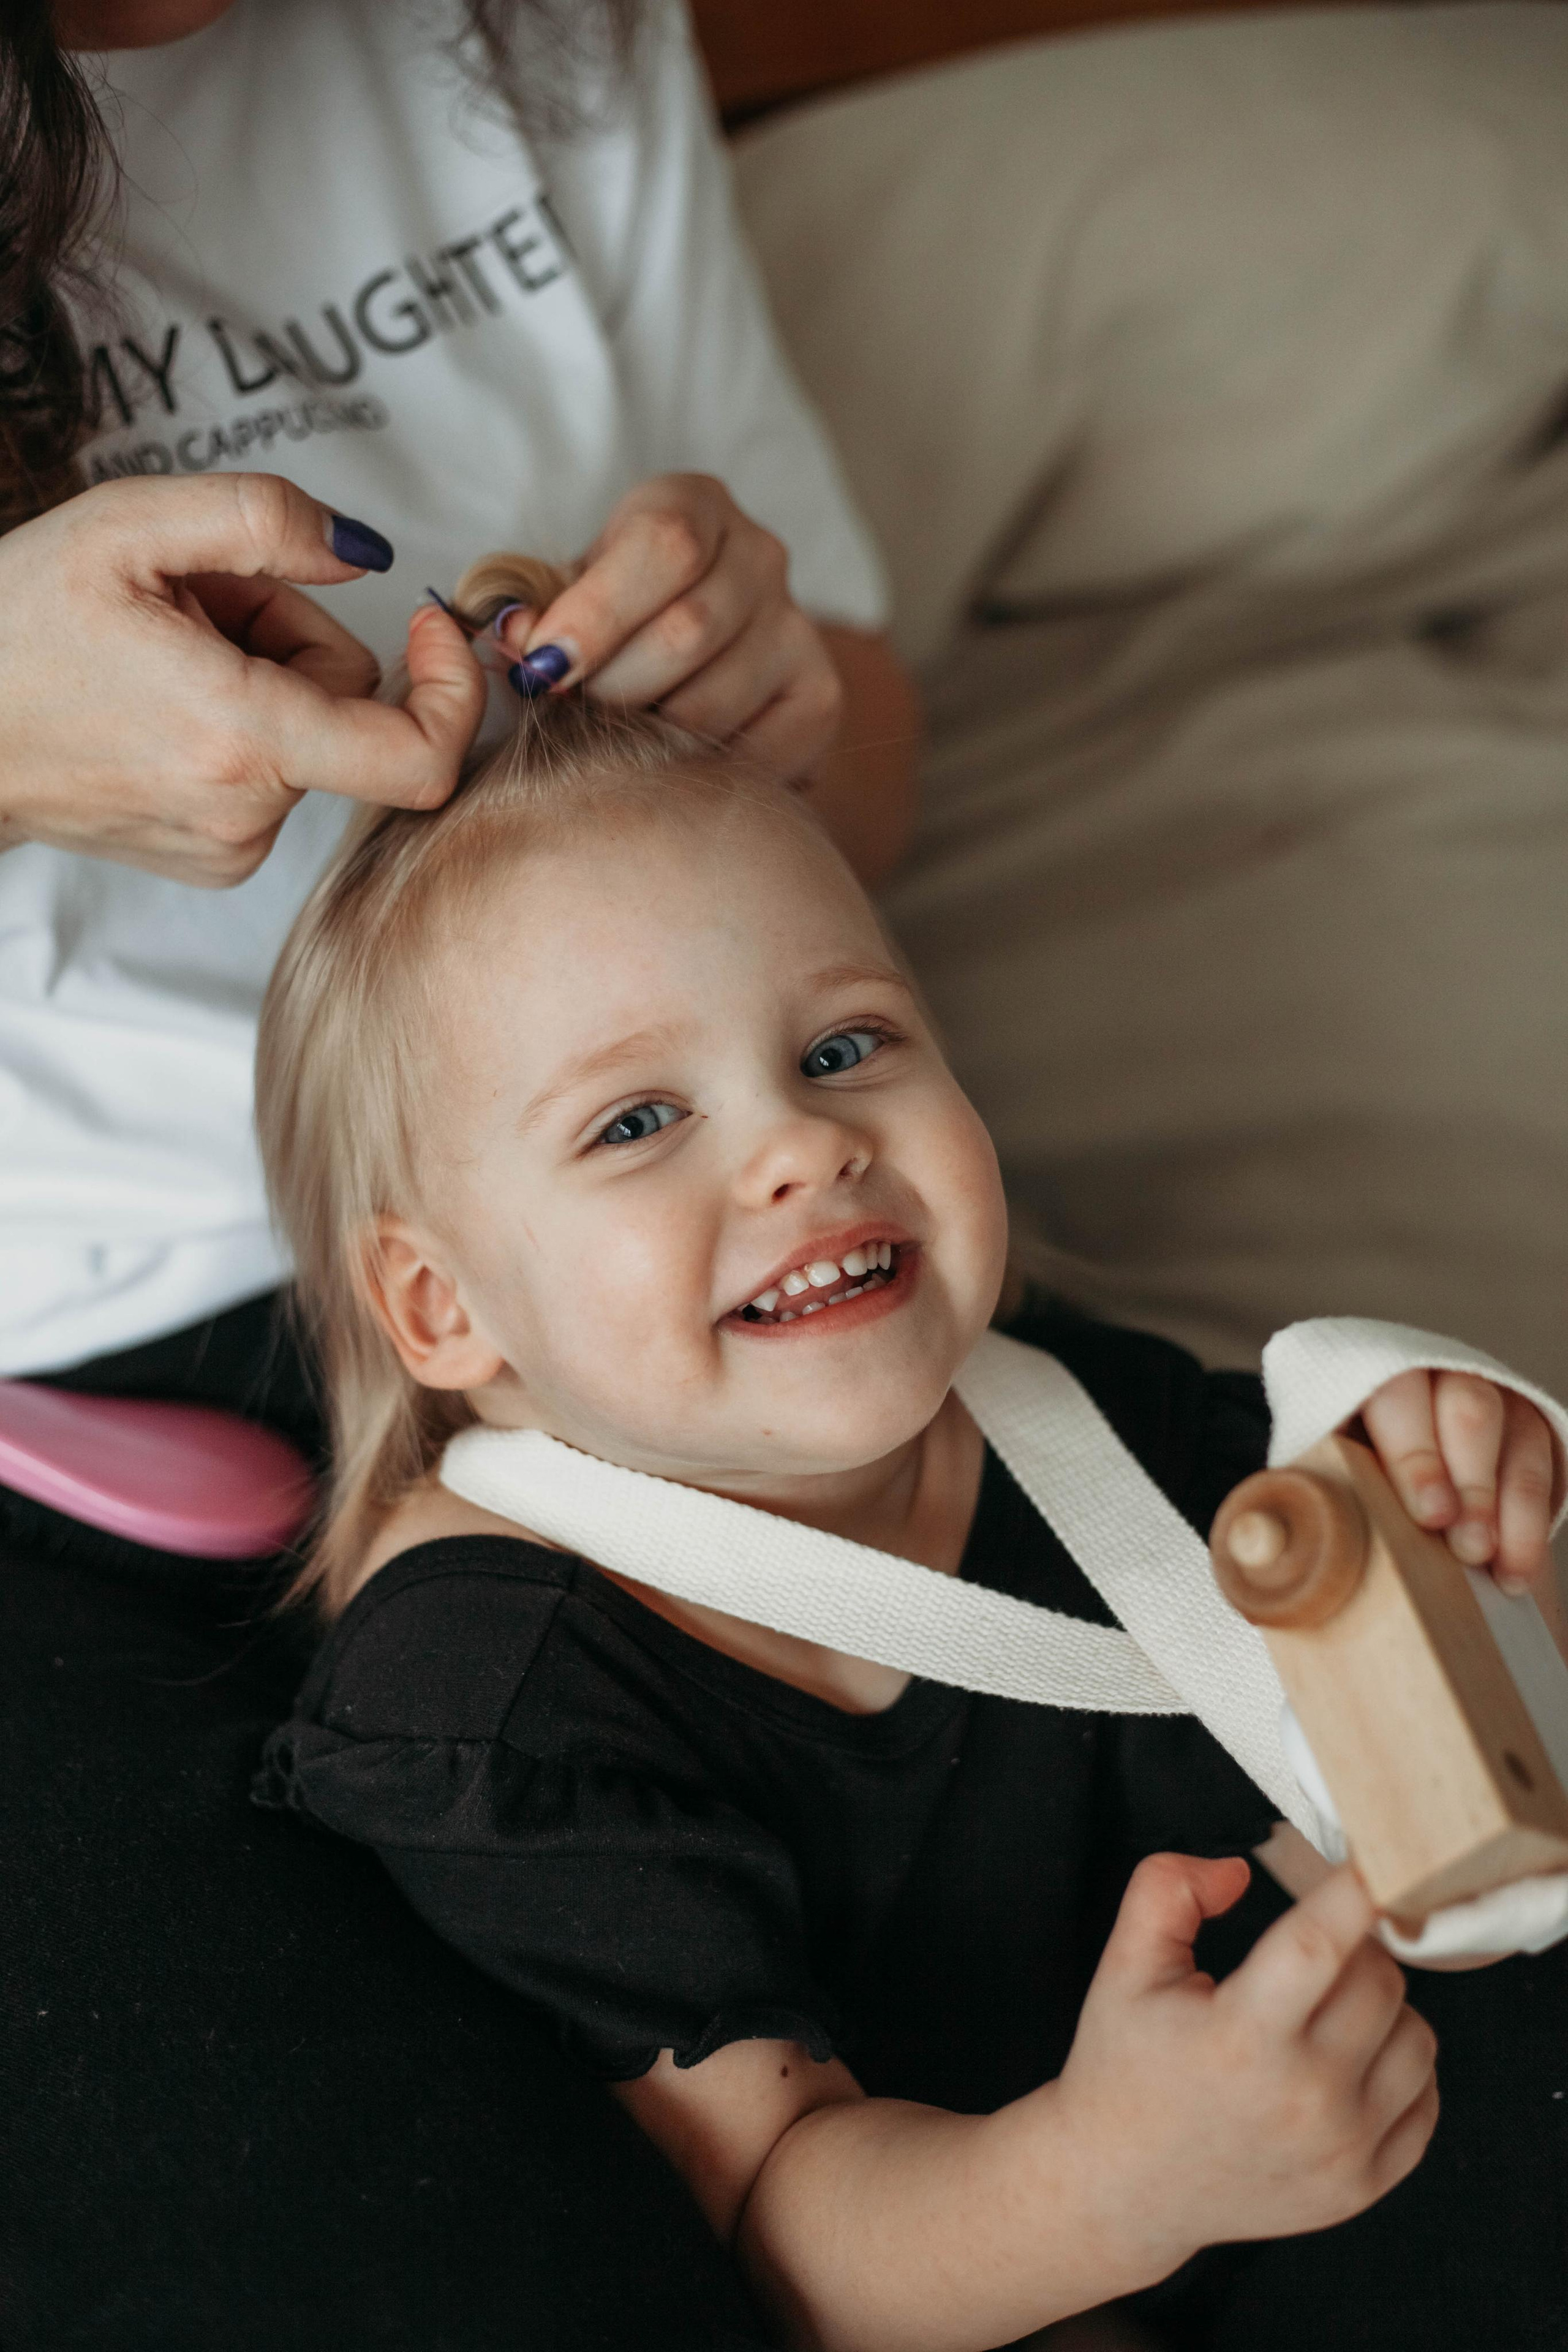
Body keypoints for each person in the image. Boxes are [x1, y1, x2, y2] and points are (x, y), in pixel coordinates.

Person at [252, 553, 1568, 2352]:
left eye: (846, 1044)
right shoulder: (499, 1704)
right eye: (639, 1121)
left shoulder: (1075, 1420)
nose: (802, 1148)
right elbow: (786, 2228)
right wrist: (1114, 2185)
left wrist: (1445, 1486)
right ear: (440, 1308)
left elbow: (1409, 1675)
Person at [0, 1, 911, 2337]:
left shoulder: (538, 33)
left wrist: (770, 702)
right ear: (422, 1305)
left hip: (654, 1297)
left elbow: (866, 794)